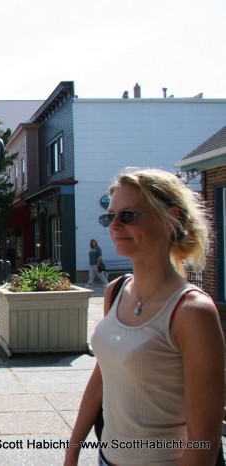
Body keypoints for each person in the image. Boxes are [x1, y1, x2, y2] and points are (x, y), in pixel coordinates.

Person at [65, 168, 224, 466]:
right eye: (108, 216)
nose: (114, 226)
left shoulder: (192, 312)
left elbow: (205, 441)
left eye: (128, 216)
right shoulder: (116, 291)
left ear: (171, 218)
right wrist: (73, 449)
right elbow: (104, 373)